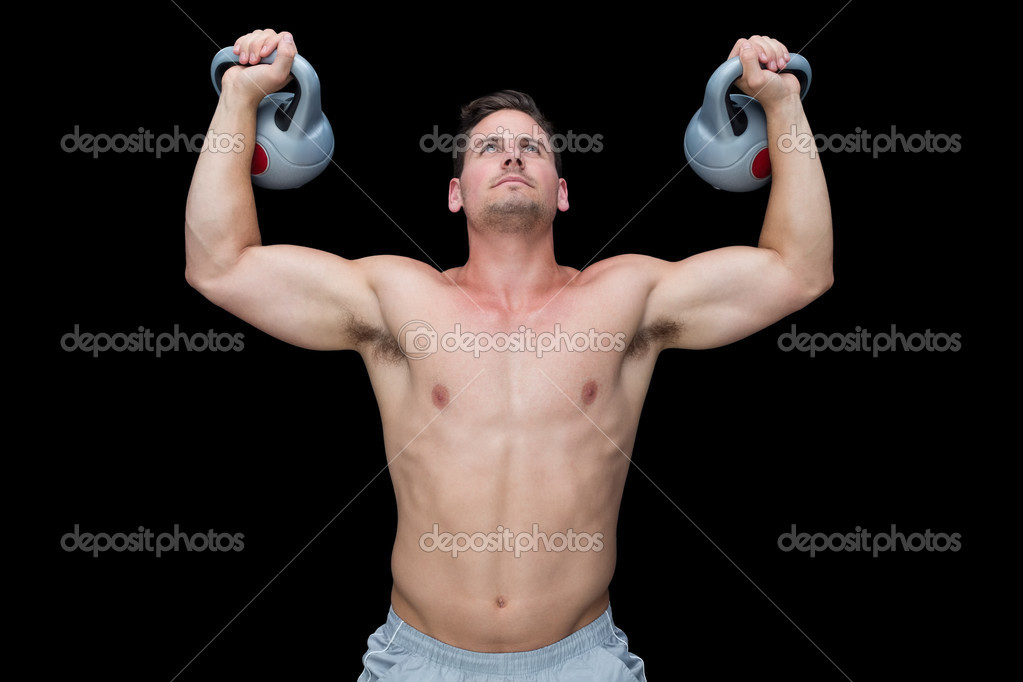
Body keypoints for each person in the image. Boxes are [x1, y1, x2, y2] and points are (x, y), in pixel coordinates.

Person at [184, 28, 832, 681]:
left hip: (581, 664)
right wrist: (240, 95)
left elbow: (799, 270)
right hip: (418, 663)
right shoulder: (397, 296)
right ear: (456, 193)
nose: (513, 156)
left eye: (532, 148)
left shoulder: (626, 296)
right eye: (489, 148)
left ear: (562, 191)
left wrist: (781, 103)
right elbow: (220, 265)